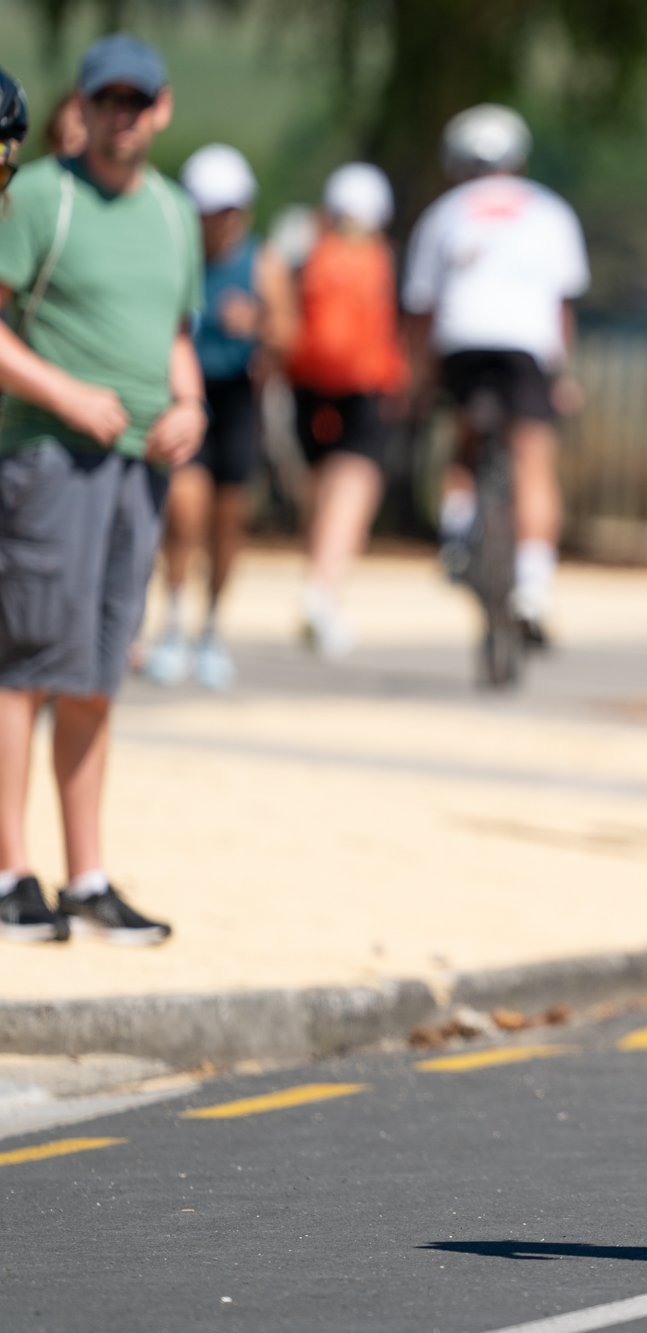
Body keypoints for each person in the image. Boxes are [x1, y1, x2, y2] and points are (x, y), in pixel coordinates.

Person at [0, 34, 202, 946]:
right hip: (51, 459)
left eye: (138, 101)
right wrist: (65, 393)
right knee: (23, 667)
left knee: (95, 673)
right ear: (82, 106)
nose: (123, 116)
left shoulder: (175, 212)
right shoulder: (41, 195)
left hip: (137, 469)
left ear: (162, 108)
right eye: (107, 100)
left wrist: (191, 404)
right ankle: (11, 871)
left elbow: (176, 335)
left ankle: (85, 877)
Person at [404, 103, 587, 645]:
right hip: (525, 345)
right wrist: (561, 373)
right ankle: (533, 585)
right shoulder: (550, 212)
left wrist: (423, 378)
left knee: (463, 441)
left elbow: (421, 306)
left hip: (461, 340)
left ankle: (456, 532)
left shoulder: (443, 213)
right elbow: (562, 307)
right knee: (534, 459)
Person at [144, 142, 296, 690]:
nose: (222, 221)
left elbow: (288, 333)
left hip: (236, 402)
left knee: (228, 520)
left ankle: (210, 626)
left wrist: (256, 323)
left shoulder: (262, 261)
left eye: (231, 210)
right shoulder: (171, 253)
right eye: (213, 211)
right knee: (184, 513)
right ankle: (172, 620)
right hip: (183, 399)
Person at [288, 162, 407, 657]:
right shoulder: (385, 258)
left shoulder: (304, 248)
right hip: (367, 386)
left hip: (308, 386)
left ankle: (319, 578)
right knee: (354, 487)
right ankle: (325, 587)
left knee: (320, 488)